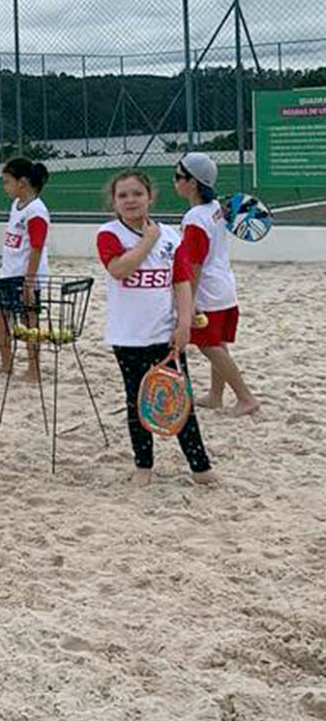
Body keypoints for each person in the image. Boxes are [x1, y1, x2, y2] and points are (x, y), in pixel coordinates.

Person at [96, 170, 217, 487]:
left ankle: (200, 467)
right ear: (114, 202)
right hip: (128, 336)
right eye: (123, 195)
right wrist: (148, 241)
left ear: (150, 197)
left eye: (137, 193)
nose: (131, 200)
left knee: (181, 399)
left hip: (164, 333)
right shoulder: (108, 234)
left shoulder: (171, 236)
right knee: (137, 402)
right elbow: (120, 269)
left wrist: (184, 323)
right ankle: (143, 466)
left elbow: (181, 281)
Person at [173, 153, 259, 416]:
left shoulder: (195, 218)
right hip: (225, 287)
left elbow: (194, 265)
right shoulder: (216, 210)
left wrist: (188, 302)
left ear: (193, 183)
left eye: (178, 176)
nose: (174, 182)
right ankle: (215, 395)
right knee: (219, 343)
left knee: (209, 346)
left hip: (208, 292)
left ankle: (246, 398)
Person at [0, 157, 51, 382]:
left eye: (7, 182)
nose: (4, 187)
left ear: (22, 182)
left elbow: (36, 248)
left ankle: (33, 369)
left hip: (25, 277)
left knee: (29, 322)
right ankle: (6, 365)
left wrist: (30, 281)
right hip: (8, 274)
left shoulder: (36, 211)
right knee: (1, 318)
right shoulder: (17, 205)